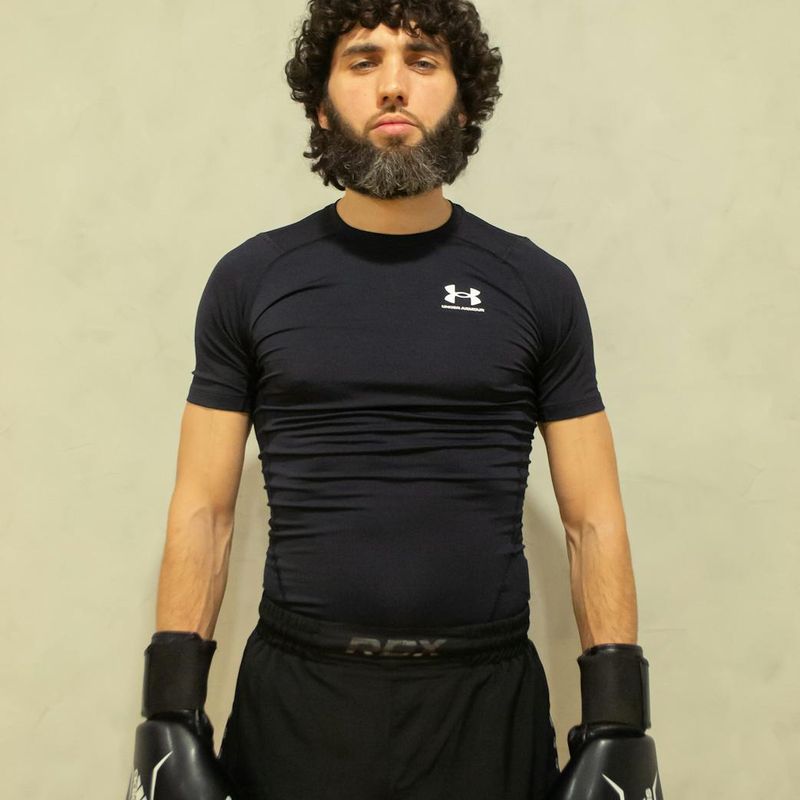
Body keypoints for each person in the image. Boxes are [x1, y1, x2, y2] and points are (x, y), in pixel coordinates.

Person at [125, 2, 662, 799]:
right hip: (300, 697)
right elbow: (204, 510)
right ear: (321, 100)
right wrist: (168, 711)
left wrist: (620, 721)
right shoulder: (251, 281)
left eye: (422, 60)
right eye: (364, 60)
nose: (393, 87)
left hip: (484, 701)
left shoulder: (536, 285)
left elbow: (591, 519)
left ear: (464, 97)